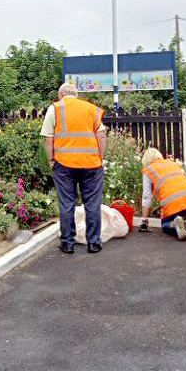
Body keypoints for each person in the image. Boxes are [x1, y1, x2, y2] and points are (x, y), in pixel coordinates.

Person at [41, 83, 107, 254]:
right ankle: (94, 243)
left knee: (67, 203)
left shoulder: (55, 108)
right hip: (92, 164)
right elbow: (101, 135)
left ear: (61, 95)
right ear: (75, 95)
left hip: (64, 164)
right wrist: (100, 158)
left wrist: (51, 160)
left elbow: (48, 138)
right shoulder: (92, 109)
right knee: (92, 203)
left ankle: (68, 243)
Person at [138, 148, 186, 240]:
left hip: (172, 204)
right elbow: (185, 182)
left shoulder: (148, 171)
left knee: (165, 225)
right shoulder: (173, 163)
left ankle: (173, 224)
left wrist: (144, 221)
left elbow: (146, 197)